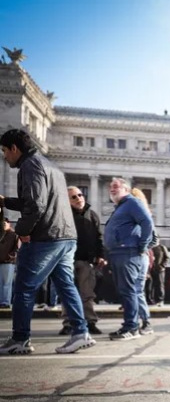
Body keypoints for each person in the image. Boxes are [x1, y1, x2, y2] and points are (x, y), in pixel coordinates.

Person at [0, 128, 97, 354]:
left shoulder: (29, 165)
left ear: (15, 148)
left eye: (5, 151)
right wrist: (6, 202)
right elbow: (40, 200)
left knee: (23, 288)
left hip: (46, 237)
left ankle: (20, 339)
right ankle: (81, 333)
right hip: (65, 236)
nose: (4, 156)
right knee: (66, 286)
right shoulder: (50, 166)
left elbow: (35, 205)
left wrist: (22, 231)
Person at [104, 178, 153, 340]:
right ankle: (130, 325)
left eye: (116, 186)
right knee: (127, 291)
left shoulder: (132, 203)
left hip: (128, 253)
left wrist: (142, 245)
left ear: (126, 189)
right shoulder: (122, 206)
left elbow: (147, 222)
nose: (112, 189)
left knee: (129, 291)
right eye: (111, 187)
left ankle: (132, 327)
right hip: (120, 253)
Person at [59, 186, 104, 336]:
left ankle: (90, 322)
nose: (79, 198)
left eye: (80, 194)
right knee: (67, 294)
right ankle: (68, 324)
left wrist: (100, 255)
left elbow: (99, 237)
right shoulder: (62, 215)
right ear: (67, 201)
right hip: (67, 260)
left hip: (86, 261)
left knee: (87, 294)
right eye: (74, 197)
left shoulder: (92, 215)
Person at [129, 188, 157, 335]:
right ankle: (138, 323)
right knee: (134, 291)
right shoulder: (143, 214)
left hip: (137, 256)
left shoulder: (140, 215)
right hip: (137, 256)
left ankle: (141, 322)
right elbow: (155, 239)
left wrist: (141, 248)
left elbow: (154, 239)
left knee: (134, 290)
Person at [0, 218, 18, 308]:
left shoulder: (13, 234)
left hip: (8, 262)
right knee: (2, 283)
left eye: (5, 223)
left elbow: (17, 248)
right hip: (2, 261)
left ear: (9, 224)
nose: (3, 225)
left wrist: (10, 257)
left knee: (6, 283)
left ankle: (5, 302)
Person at [150, 240, 170, 307]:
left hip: (160, 269)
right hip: (151, 269)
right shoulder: (150, 247)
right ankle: (151, 300)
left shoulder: (162, 247)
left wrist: (162, 266)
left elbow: (167, 258)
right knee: (150, 285)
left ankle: (160, 300)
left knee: (160, 285)